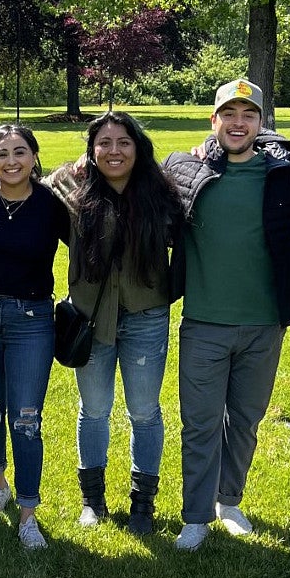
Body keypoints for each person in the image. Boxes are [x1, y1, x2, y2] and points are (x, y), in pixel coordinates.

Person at [161, 79, 290, 550]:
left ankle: (229, 500)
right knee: (200, 424)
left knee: (244, 420)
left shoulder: (284, 176)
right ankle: (196, 516)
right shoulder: (186, 170)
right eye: (229, 113)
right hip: (204, 323)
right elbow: (125, 181)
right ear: (214, 121)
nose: (238, 122)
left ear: (261, 122)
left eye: (248, 114)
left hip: (265, 324)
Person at [43, 112, 182, 535]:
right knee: (95, 410)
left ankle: (143, 505)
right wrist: (69, 168)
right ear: (92, 151)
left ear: (138, 148)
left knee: (143, 411)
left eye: (123, 142)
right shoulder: (74, 192)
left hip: (146, 316)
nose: (114, 151)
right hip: (89, 318)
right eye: (103, 143)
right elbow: (28, 181)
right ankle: (93, 500)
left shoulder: (162, 194)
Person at [0, 124, 69, 549]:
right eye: (1, 153)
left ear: (35, 157)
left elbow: (88, 244)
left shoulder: (51, 204)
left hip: (31, 319)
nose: (11, 161)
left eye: (20, 152)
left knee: (26, 420)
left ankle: (27, 514)